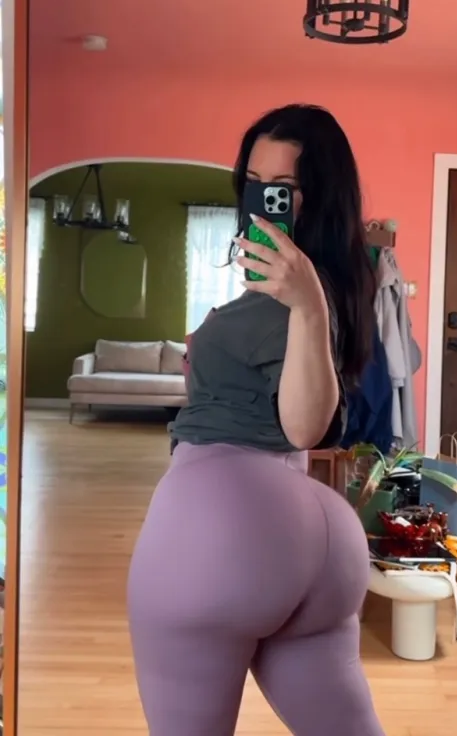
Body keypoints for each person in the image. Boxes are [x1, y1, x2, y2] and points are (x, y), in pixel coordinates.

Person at [127, 104, 385, 736]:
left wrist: (306, 306)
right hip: (320, 542)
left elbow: (306, 427)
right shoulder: (334, 289)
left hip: (224, 530)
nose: (264, 201)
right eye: (253, 184)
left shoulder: (307, 297)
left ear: (320, 198)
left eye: (284, 188)